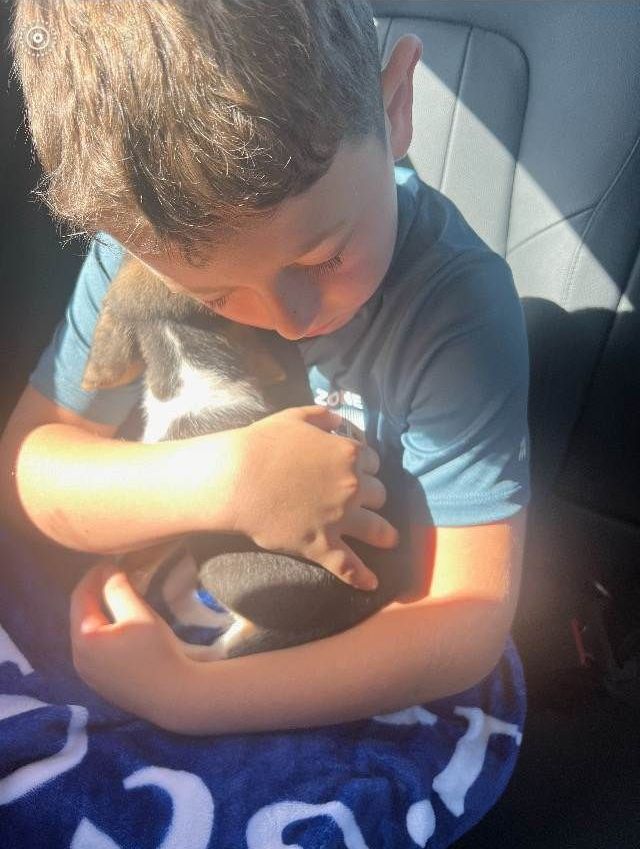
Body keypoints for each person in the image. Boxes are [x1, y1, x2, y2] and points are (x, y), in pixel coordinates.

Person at [1, 0, 530, 736]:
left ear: (397, 105)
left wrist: (190, 697)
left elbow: (467, 619)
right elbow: (27, 470)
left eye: (326, 257)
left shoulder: (458, 313)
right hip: (197, 597)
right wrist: (231, 481)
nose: (292, 315)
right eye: (218, 294)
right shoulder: (142, 254)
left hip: (350, 639)